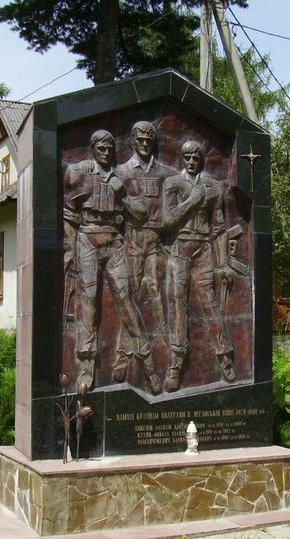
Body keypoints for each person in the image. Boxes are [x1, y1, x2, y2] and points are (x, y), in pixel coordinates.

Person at [63, 129, 162, 394]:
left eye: (110, 149)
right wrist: (71, 249)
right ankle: (86, 365)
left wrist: (124, 197)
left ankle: (148, 364)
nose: (106, 154)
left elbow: (142, 213)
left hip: (114, 241)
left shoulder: (122, 175)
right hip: (87, 240)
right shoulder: (80, 171)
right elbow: (69, 214)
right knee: (89, 302)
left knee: (126, 301)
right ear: (93, 149)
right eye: (101, 149)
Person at [161, 140, 235, 392]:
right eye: (187, 158)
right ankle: (176, 363)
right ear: (182, 159)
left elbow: (219, 227)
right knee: (178, 304)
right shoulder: (172, 183)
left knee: (210, 303)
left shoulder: (214, 187)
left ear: (202, 159)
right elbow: (167, 220)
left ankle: (224, 357)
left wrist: (223, 263)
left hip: (203, 248)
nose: (192, 162)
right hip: (179, 248)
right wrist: (192, 201)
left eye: (196, 158)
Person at [112, 121, 175, 382]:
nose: (145, 144)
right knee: (131, 296)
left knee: (156, 292)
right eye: (140, 140)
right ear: (133, 141)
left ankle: (166, 352)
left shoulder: (166, 173)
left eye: (149, 140)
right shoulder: (121, 171)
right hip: (132, 240)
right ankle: (123, 356)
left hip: (155, 239)